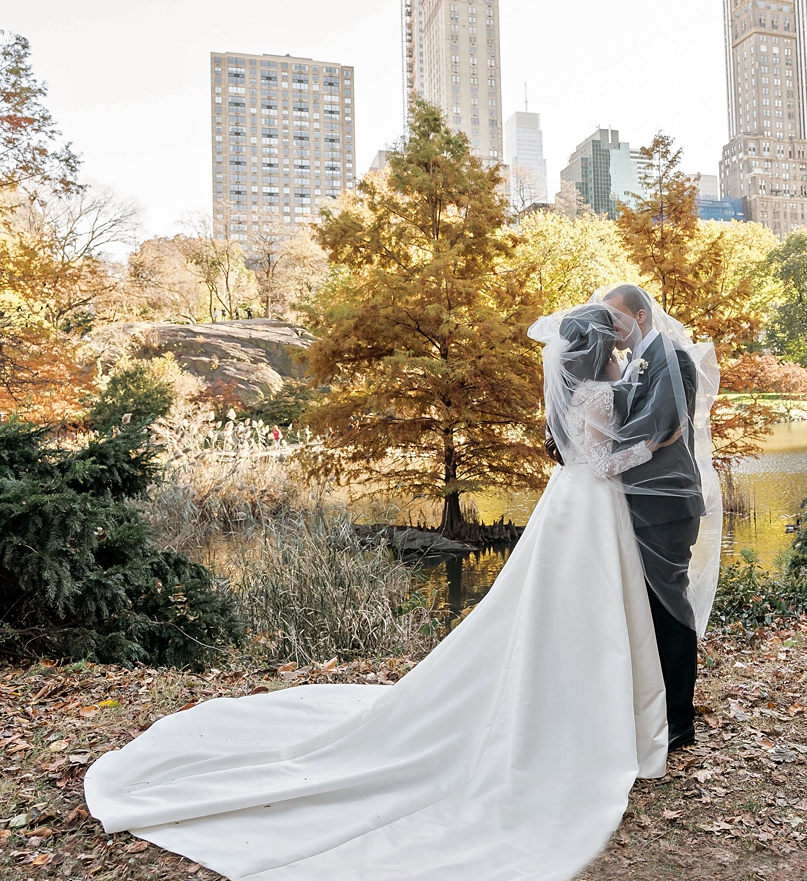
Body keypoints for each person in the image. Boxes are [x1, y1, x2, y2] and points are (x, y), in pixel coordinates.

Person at [83, 295, 721, 881]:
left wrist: (606, 462)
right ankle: (599, 716)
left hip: (581, 507)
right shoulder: (602, 389)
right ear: (595, 348)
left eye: (617, 330)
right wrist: (613, 465)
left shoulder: (585, 384)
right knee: (590, 612)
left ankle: (602, 704)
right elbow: (604, 454)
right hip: (595, 504)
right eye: (607, 338)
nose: (615, 342)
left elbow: (582, 450)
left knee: (579, 613)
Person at [599, 284, 710, 750]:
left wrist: (601, 454)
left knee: (669, 607)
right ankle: (655, 709)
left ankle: (680, 719)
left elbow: (664, 422)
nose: (613, 329)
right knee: (645, 609)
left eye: (618, 319)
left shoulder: (673, 357)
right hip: (640, 503)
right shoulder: (631, 363)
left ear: (641, 316)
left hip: (667, 505)